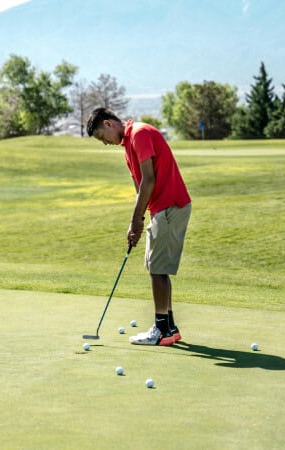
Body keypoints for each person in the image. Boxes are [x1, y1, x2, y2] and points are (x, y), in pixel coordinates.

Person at [87, 108, 191, 346]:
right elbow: (140, 187)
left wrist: (136, 219)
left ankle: (161, 330)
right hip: (161, 209)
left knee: (157, 269)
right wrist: (138, 220)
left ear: (108, 123)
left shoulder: (140, 134)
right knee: (158, 268)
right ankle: (170, 327)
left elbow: (149, 179)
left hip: (170, 205)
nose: (105, 143)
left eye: (103, 137)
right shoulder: (128, 146)